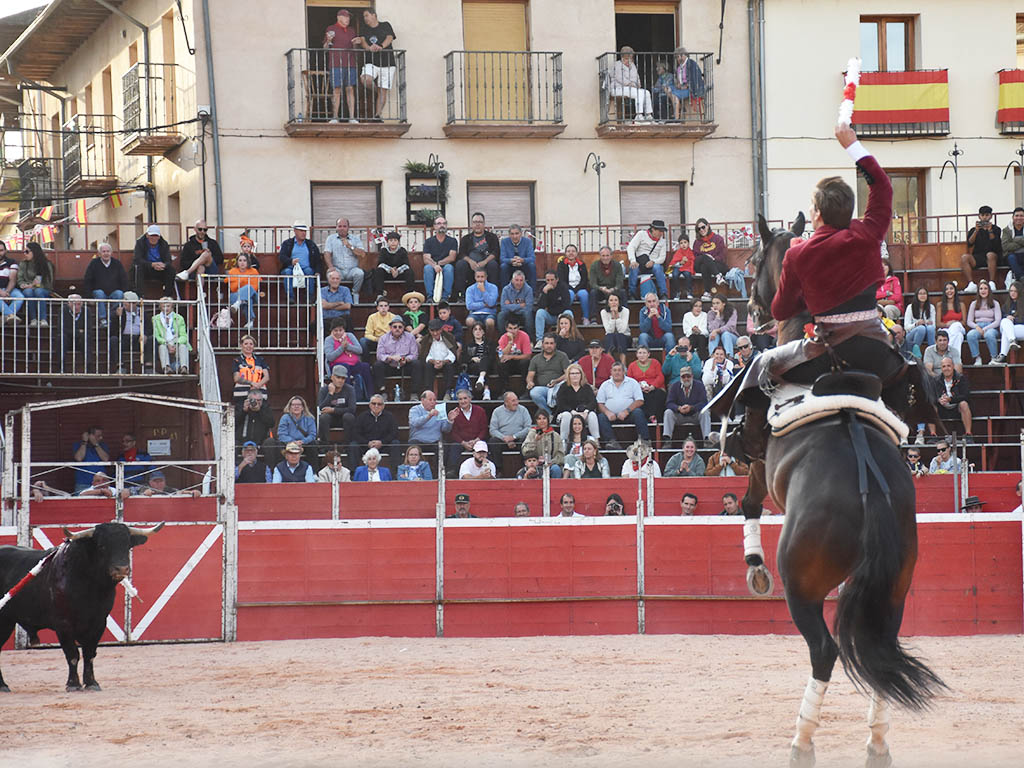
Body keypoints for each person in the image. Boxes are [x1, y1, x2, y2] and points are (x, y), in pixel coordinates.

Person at [738, 124, 906, 461]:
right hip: (876, 352)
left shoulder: (798, 254)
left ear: (816, 214)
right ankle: (908, 430)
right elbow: (883, 185)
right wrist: (852, 145)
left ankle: (750, 442)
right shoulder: (869, 232)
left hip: (826, 355)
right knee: (908, 371)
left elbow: (781, 310)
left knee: (760, 366)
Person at [353, 8, 397, 120]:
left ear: (374, 15)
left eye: (366, 15)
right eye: (364, 16)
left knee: (383, 90)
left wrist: (381, 46)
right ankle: (378, 91)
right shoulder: (364, 29)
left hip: (387, 63)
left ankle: (377, 115)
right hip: (371, 62)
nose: (365, 18)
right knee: (365, 79)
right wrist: (369, 48)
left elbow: (390, 38)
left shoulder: (385, 25)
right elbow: (363, 42)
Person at [596, 362, 649, 448]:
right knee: (601, 417)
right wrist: (607, 412)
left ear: (624, 371)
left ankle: (645, 441)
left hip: (629, 414)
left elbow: (640, 401)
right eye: (615, 370)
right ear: (611, 372)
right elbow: (600, 403)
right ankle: (611, 442)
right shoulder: (605, 385)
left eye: (619, 370)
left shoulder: (632, 383)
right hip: (611, 416)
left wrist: (626, 411)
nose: (617, 373)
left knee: (638, 412)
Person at [323, 9, 358, 123]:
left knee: (350, 89)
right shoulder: (331, 29)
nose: (348, 19)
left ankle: (352, 117)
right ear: (339, 17)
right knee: (336, 89)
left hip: (350, 63)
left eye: (349, 17)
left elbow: (355, 49)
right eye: (345, 16)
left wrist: (356, 43)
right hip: (336, 64)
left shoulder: (352, 30)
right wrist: (328, 40)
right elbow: (325, 48)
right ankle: (335, 117)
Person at [374, 316, 423, 397]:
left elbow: (414, 355)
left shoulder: (410, 337)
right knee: (377, 365)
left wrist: (405, 359)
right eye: (395, 327)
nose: (397, 329)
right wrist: (391, 358)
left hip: (405, 365)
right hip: (390, 365)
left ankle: (414, 393)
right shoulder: (383, 338)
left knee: (417, 364)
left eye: (400, 327)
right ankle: (383, 392)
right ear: (390, 328)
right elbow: (379, 355)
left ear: (403, 328)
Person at [349, 394, 399, 473]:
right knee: (353, 445)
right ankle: (353, 473)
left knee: (395, 443)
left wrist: (382, 442)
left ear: (383, 406)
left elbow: (394, 433)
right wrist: (367, 443)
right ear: (369, 405)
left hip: (383, 446)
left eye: (379, 404)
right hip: (366, 446)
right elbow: (356, 433)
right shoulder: (362, 416)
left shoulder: (389, 416)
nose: (376, 406)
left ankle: (395, 473)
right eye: (374, 403)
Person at [455, 212, 500, 299]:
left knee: (493, 264)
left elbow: (496, 252)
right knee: (460, 264)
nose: (477, 224)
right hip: (471, 266)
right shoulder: (466, 238)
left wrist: (485, 262)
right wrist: (470, 261)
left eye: (480, 222)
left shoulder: (492, 237)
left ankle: (494, 295)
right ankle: (461, 295)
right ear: (472, 224)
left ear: (484, 224)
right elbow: (461, 253)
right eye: (475, 222)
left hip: (486, 264)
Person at [323, 317, 371, 399]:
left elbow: (360, 350)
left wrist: (348, 346)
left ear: (344, 330)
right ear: (332, 331)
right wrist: (342, 348)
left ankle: (370, 396)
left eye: (340, 330)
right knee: (345, 368)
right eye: (335, 330)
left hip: (354, 364)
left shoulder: (350, 335)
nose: (338, 333)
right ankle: (348, 397)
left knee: (365, 366)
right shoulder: (329, 339)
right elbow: (330, 357)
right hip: (337, 365)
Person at [960, 205, 1002, 294]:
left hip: (992, 257)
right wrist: (976, 230)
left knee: (990, 255)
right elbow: (969, 243)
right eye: (982, 215)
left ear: (991, 216)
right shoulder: (973, 230)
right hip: (978, 257)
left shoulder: (996, 229)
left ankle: (992, 282)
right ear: (979, 216)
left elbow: (996, 244)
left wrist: (990, 230)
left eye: (987, 215)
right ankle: (971, 284)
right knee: (964, 257)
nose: (984, 217)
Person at [278, 221, 324, 302]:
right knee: (288, 272)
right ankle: (290, 297)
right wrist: (291, 261)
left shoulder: (311, 244)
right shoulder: (287, 243)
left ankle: (310, 297)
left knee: (309, 271)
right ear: (295, 231)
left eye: (305, 231)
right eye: (301, 231)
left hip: (306, 268)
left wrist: (317, 271)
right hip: (291, 268)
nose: (304, 233)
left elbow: (317, 259)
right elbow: (282, 256)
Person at [83, 242, 127, 325]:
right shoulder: (94, 263)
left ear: (111, 253)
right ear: (99, 253)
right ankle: (102, 319)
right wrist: (88, 297)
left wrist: (125, 294)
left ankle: (112, 317)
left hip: (113, 292)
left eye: (108, 251)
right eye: (103, 251)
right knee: (99, 293)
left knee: (119, 294)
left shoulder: (117, 263)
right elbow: (87, 280)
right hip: (99, 292)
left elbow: (124, 279)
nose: (106, 253)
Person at [446, 389, 488, 475]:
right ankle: (452, 471)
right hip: (462, 442)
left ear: (470, 399)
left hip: (477, 440)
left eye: (465, 398)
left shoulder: (480, 411)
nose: (463, 401)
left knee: (482, 446)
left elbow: (484, 429)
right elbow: (453, 433)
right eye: (460, 399)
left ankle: (486, 470)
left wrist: (476, 440)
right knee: (454, 446)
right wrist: (463, 443)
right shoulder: (455, 413)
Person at [555, 362, 600, 442]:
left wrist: (586, 412)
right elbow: (561, 404)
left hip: (583, 414)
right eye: (572, 373)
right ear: (568, 375)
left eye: (577, 373)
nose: (575, 375)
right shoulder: (563, 387)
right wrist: (573, 412)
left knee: (592, 415)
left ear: (581, 375)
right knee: (566, 415)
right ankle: (563, 442)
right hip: (568, 413)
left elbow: (593, 402)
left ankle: (596, 441)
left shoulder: (586, 387)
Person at [526, 334, 570, 414]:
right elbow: (530, 376)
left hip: (558, 387)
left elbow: (568, 373)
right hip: (543, 388)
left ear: (555, 344)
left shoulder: (562, 356)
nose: (549, 346)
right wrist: (530, 382)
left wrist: (556, 381)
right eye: (546, 343)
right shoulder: (536, 358)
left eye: (551, 343)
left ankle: (559, 413)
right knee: (534, 393)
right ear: (542, 344)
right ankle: (549, 414)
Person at [321, 218, 366, 295]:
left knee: (360, 273)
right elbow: (327, 253)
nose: (342, 228)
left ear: (348, 228)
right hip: (338, 269)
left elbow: (362, 254)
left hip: (352, 270)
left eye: (344, 226)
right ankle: (335, 295)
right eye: (339, 226)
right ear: (336, 227)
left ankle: (354, 293)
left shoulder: (355, 239)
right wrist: (330, 267)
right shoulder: (331, 238)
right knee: (330, 274)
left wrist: (350, 246)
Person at [664, 368, 709, 444]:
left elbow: (704, 402)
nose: (686, 379)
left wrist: (692, 408)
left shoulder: (699, 385)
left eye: (688, 376)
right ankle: (667, 440)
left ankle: (707, 439)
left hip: (695, 415)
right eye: (683, 377)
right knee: (668, 412)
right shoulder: (674, 386)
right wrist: (678, 408)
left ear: (692, 376)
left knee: (705, 412)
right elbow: (669, 403)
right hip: (680, 415)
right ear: (680, 377)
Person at [271, 395, 318, 467]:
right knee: (279, 446)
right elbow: (281, 434)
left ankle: (313, 470)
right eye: (293, 405)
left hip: (304, 443)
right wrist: (293, 442)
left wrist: (303, 441)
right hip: (288, 443)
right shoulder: (285, 418)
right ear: (290, 407)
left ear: (303, 407)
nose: (296, 407)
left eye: (299, 405)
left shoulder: (309, 418)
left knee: (313, 444)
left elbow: (312, 435)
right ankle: (280, 469)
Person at [627, 220, 668, 299]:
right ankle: (631, 294)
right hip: (640, 263)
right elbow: (631, 247)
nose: (661, 233)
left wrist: (653, 262)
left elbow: (662, 258)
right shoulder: (641, 234)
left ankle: (663, 294)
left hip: (653, 265)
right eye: (659, 231)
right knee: (633, 267)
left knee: (658, 268)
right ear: (653, 229)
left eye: (662, 231)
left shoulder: (662, 242)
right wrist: (633, 260)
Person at [609, 46, 653, 121]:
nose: (628, 60)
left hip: (632, 88)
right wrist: (630, 84)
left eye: (630, 58)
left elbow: (637, 76)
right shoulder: (617, 65)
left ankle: (648, 114)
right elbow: (619, 77)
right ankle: (639, 115)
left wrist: (638, 83)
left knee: (646, 92)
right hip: (618, 88)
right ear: (622, 57)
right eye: (626, 59)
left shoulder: (632, 65)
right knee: (638, 93)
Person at [110, 291, 150, 373]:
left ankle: (149, 367)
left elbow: (149, 327)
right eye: (126, 303)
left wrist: (145, 335)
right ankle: (120, 366)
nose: (127, 305)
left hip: (138, 339)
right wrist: (117, 317)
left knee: (151, 339)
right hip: (124, 339)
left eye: (132, 303)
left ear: (135, 303)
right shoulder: (119, 311)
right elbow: (112, 331)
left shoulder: (142, 312)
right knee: (113, 339)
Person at [935, 356, 974, 440]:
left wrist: (951, 399)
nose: (946, 368)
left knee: (964, 404)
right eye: (944, 366)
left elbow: (966, 396)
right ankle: (933, 435)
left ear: (953, 366)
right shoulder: (936, 380)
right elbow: (931, 395)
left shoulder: (961, 378)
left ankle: (968, 434)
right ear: (941, 368)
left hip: (957, 407)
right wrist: (938, 400)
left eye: (948, 366)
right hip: (942, 408)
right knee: (931, 406)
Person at [317, 364, 357, 444]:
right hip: (330, 419)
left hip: (343, 418)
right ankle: (324, 445)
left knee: (349, 417)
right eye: (338, 377)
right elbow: (322, 408)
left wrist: (333, 410)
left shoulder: (350, 389)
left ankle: (347, 445)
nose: (340, 380)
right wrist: (330, 394)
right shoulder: (324, 390)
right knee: (324, 417)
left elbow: (352, 409)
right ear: (332, 377)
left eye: (343, 378)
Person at [488, 390, 532, 463]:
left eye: (517, 400)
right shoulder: (497, 411)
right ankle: (498, 467)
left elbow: (528, 428)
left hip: (518, 439)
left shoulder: (523, 410)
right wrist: (504, 438)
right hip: (503, 440)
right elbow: (493, 430)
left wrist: (514, 437)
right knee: (493, 442)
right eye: (513, 401)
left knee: (526, 440)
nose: (516, 403)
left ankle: (524, 466)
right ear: (506, 402)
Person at [422, 216, 458, 302]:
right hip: (433, 266)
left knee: (449, 268)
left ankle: (445, 297)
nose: (442, 225)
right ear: (434, 226)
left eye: (444, 223)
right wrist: (435, 266)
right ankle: (430, 297)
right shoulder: (428, 241)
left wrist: (438, 264)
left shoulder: (452, 241)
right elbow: (426, 258)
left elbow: (452, 257)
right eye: (439, 223)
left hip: (446, 265)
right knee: (427, 268)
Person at [627, 346, 667, 424]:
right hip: (639, 389)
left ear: (648, 354)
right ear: (636, 354)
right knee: (641, 396)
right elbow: (630, 380)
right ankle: (650, 416)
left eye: (644, 353)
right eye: (640, 353)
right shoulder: (632, 365)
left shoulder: (655, 363)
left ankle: (655, 416)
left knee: (659, 394)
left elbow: (660, 376)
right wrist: (639, 387)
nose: (642, 355)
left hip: (654, 388)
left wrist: (652, 386)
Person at [17, 242, 53, 327]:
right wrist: (27, 285)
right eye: (24, 252)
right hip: (28, 288)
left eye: (27, 251)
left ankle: (43, 319)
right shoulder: (23, 264)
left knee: (38, 291)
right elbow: (20, 279)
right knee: (28, 292)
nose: (25, 254)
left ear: (35, 251)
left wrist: (34, 286)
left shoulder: (46, 264)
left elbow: (49, 282)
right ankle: (33, 319)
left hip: (43, 289)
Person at [965, 280, 1001, 365]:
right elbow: (969, 321)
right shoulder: (974, 304)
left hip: (991, 326)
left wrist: (985, 329)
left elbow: (998, 321)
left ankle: (994, 358)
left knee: (989, 335)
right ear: (978, 291)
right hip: (978, 326)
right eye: (981, 289)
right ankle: (977, 358)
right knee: (970, 335)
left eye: (985, 288)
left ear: (989, 290)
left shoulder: (995, 303)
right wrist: (977, 327)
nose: (983, 291)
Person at [132, 224, 174, 295]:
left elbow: (168, 260)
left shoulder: (164, 244)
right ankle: (140, 295)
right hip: (146, 268)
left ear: (159, 237)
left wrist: (163, 265)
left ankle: (167, 295)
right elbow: (137, 259)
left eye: (156, 236)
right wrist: (151, 264)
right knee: (138, 268)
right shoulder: (140, 243)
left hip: (160, 269)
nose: (154, 238)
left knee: (171, 270)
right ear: (147, 235)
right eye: (151, 235)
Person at [420, 318, 458, 397]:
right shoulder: (426, 339)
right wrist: (433, 361)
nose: (435, 333)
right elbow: (425, 355)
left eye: (437, 330)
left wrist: (443, 362)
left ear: (441, 329)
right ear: (429, 330)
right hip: (432, 363)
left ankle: (447, 392)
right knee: (427, 366)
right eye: (432, 331)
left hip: (445, 362)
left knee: (449, 366)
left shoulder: (449, 337)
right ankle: (429, 392)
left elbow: (452, 354)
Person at [521, 411, 565, 477]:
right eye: (539, 419)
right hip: (535, 465)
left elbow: (561, 454)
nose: (542, 421)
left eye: (544, 418)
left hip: (551, 464)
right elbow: (525, 451)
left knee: (556, 469)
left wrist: (551, 462)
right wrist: (535, 441)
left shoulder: (555, 435)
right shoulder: (532, 433)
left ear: (548, 420)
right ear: (536, 421)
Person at [153, 297, 190, 374]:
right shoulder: (155, 319)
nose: (166, 308)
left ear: (172, 307)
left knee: (183, 345)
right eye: (163, 306)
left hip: (176, 341)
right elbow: (157, 336)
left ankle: (184, 367)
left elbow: (183, 335)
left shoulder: (179, 318)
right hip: (164, 342)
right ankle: (166, 368)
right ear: (160, 307)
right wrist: (167, 344)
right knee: (162, 346)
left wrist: (176, 344)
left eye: (168, 306)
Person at [533, 269, 572, 343]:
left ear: (557, 279)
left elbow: (566, 305)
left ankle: (569, 337)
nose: (550, 282)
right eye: (548, 280)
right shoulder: (543, 288)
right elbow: (540, 306)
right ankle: (539, 340)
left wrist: (551, 310)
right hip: (550, 316)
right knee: (540, 312)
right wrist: (545, 293)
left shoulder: (563, 287)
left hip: (561, 316)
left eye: (552, 280)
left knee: (568, 312)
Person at [370, 231, 413, 296]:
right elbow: (380, 264)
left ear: (398, 242)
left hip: (399, 274)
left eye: (395, 240)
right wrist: (391, 270)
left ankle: (410, 294)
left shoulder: (402, 250)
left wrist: (398, 270)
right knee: (378, 271)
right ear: (387, 242)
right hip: (387, 274)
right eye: (391, 240)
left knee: (409, 272)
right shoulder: (384, 251)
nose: (393, 242)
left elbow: (406, 265)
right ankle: (380, 295)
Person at [226, 249, 261, 329]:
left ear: (248, 262)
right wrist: (245, 280)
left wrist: (240, 281)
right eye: (240, 260)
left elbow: (254, 287)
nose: (242, 262)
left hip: (252, 294)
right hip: (235, 295)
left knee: (248, 288)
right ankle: (250, 321)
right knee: (248, 299)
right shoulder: (232, 271)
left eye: (244, 260)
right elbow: (233, 288)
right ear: (237, 262)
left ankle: (239, 302)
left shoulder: (254, 271)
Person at [558, 245, 592, 323]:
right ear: (565, 253)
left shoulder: (581, 264)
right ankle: (566, 318)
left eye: (573, 251)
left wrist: (576, 290)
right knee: (570, 294)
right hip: (567, 288)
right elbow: (562, 281)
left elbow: (584, 280)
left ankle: (586, 318)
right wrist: (572, 290)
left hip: (580, 288)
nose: (571, 253)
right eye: (568, 251)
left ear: (576, 253)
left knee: (584, 294)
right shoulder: (561, 265)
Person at [590, 245, 627, 318]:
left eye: (607, 255)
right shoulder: (594, 265)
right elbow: (592, 283)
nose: (605, 258)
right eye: (603, 256)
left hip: (614, 290)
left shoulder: (617, 265)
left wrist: (613, 289)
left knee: (622, 292)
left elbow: (620, 282)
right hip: (601, 290)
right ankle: (593, 318)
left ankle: (624, 316)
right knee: (593, 293)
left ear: (611, 256)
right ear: (600, 256)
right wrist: (601, 288)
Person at [692, 218, 728, 291]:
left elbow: (722, 255)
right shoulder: (697, 242)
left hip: (716, 264)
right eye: (699, 229)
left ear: (708, 226)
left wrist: (713, 259)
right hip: (700, 264)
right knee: (705, 258)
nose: (701, 230)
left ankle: (707, 292)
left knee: (704, 266)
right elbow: (696, 256)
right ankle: (718, 276)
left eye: (703, 227)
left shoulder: (718, 238)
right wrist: (706, 257)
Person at [232, 334, 270, 404]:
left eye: (251, 344)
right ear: (241, 345)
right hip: (241, 394)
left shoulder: (261, 360)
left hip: (260, 394)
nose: (248, 346)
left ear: (254, 346)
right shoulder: (237, 361)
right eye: (246, 344)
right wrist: (252, 383)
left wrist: (258, 385)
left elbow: (266, 377)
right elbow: (236, 378)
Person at [496, 318, 532, 390]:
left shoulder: (524, 336)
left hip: (520, 363)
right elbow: (502, 356)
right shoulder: (503, 338)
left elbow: (528, 356)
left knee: (525, 362)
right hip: (509, 365)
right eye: (510, 328)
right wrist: (510, 342)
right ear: (506, 328)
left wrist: (511, 357)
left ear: (518, 328)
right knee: (501, 364)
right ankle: (505, 390)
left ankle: (525, 390)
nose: (513, 331)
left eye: (515, 328)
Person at [72, 426, 110, 492]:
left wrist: (95, 444)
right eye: (98, 436)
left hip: (100, 483)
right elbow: (79, 458)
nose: (101, 438)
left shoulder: (102, 446)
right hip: (83, 483)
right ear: (89, 436)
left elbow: (105, 459)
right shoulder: (78, 445)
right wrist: (84, 442)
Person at [671, 48, 706, 118]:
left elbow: (695, 79)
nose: (677, 59)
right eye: (676, 57)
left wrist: (686, 86)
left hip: (691, 90)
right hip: (682, 88)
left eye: (678, 57)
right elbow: (679, 80)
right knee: (669, 89)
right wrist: (678, 84)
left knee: (674, 95)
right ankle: (680, 107)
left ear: (683, 55)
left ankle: (677, 117)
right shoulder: (679, 67)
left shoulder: (691, 64)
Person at [995, 280, 1024, 364]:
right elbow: (1002, 317)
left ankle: (1003, 356)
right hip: (1010, 328)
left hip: (1021, 328)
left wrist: (1013, 319)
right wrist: (1008, 318)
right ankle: (1012, 341)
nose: (1013, 293)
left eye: (1015, 291)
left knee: (1006, 332)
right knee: (1005, 321)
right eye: (1011, 291)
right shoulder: (1006, 305)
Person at [461, 322, 495, 395]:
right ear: (473, 332)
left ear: (483, 332)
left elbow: (492, 357)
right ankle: (486, 390)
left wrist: (483, 360)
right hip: (474, 366)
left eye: (480, 329)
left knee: (485, 361)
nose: (478, 331)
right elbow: (463, 358)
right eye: (475, 329)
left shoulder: (489, 343)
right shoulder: (468, 345)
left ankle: (481, 379)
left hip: (488, 365)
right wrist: (472, 358)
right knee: (484, 369)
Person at [500, 224, 537, 290]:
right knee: (503, 266)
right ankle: (504, 291)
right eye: (512, 234)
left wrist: (522, 260)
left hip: (523, 265)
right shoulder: (504, 242)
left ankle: (532, 292)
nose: (515, 236)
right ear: (509, 234)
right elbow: (502, 258)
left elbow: (532, 258)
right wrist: (512, 260)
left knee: (532, 265)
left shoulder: (527, 241)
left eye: (517, 233)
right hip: (510, 266)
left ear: (521, 233)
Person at [498, 269, 534, 336]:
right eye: (516, 280)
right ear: (512, 280)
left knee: (528, 314)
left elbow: (528, 307)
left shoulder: (528, 289)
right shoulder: (506, 289)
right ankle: (503, 338)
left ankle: (530, 338)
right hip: (510, 313)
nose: (519, 283)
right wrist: (520, 305)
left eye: (521, 280)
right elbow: (503, 307)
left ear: (524, 281)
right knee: (501, 315)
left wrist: (510, 305)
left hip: (522, 314)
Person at [904, 286, 935, 357]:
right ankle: (913, 354)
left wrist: (926, 323)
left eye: (924, 293)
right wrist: (916, 324)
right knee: (921, 328)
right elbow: (906, 327)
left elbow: (934, 326)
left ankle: (933, 354)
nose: (922, 295)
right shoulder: (910, 307)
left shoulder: (931, 307)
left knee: (930, 328)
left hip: (927, 333)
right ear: (916, 295)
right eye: (920, 293)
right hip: (912, 334)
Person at [600, 292, 630, 362]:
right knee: (609, 337)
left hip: (625, 337)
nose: (613, 302)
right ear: (608, 303)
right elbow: (609, 331)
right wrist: (613, 317)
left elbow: (622, 330)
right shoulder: (603, 312)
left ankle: (623, 364)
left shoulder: (625, 311)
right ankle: (611, 364)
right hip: (611, 337)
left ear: (619, 302)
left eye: (616, 300)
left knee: (620, 336)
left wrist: (617, 316)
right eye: (611, 300)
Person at [667, 232, 695, 299]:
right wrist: (680, 262)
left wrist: (687, 262)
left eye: (685, 242)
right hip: (678, 267)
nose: (683, 245)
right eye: (681, 243)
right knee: (675, 275)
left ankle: (689, 291)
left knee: (688, 274)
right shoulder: (678, 252)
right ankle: (677, 292)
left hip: (687, 268)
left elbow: (692, 260)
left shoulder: (690, 252)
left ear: (688, 243)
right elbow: (673, 263)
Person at [1002, 207, 1024, 282]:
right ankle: (1021, 278)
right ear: (1013, 217)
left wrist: (1015, 239)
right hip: (1012, 254)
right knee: (1011, 257)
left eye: (1021, 216)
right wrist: (1022, 243)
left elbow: (1010, 244)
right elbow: (1005, 246)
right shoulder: (1006, 230)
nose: (1019, 218)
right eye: (1017, 216)